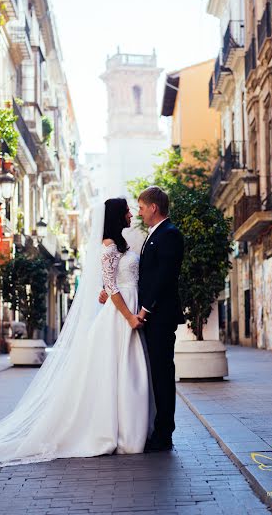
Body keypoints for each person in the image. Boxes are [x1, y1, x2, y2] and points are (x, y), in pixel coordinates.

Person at [0, 198, 153, 467]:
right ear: (117, 216)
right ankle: (110, 431)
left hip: (124, 310)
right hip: (121, 316)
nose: (131, 214)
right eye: (127, 211)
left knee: (126, 372)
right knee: (116, 371)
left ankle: (129, 429)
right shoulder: (107, 249)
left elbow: (111, 285)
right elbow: (112, 287)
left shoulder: (120, 246)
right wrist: (130, 316)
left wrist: (112, 294)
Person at [100, 186, 184, 452]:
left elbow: (163, 278)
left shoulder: (170, 235)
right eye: (132, 209)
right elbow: (137, 276)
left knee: (161, 373)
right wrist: (108, 289)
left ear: (153, 208)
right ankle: (151, 428)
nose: (138, 213)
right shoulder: (153, 235)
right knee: (150, 373)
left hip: (157, 315)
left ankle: (163, 433)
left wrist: (144, 310)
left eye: (140, 207)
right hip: (143, 315)